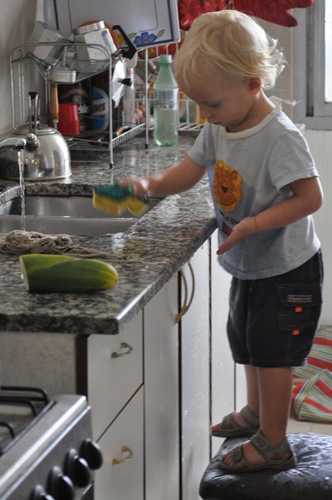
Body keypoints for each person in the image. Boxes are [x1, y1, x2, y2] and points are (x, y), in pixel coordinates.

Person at [121, 9, 324, 473]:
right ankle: (255, 415)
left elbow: (311, 198)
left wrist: (256, 223)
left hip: (287, 266)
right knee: (249, 342)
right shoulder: (220, 124)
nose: (204, 115)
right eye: (199, 105)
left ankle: (274, 440)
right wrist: (151, 185)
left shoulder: (279, 137)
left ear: (253, 84)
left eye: (210, 104)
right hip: (252, 264)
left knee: (274, 355)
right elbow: (190, 172)